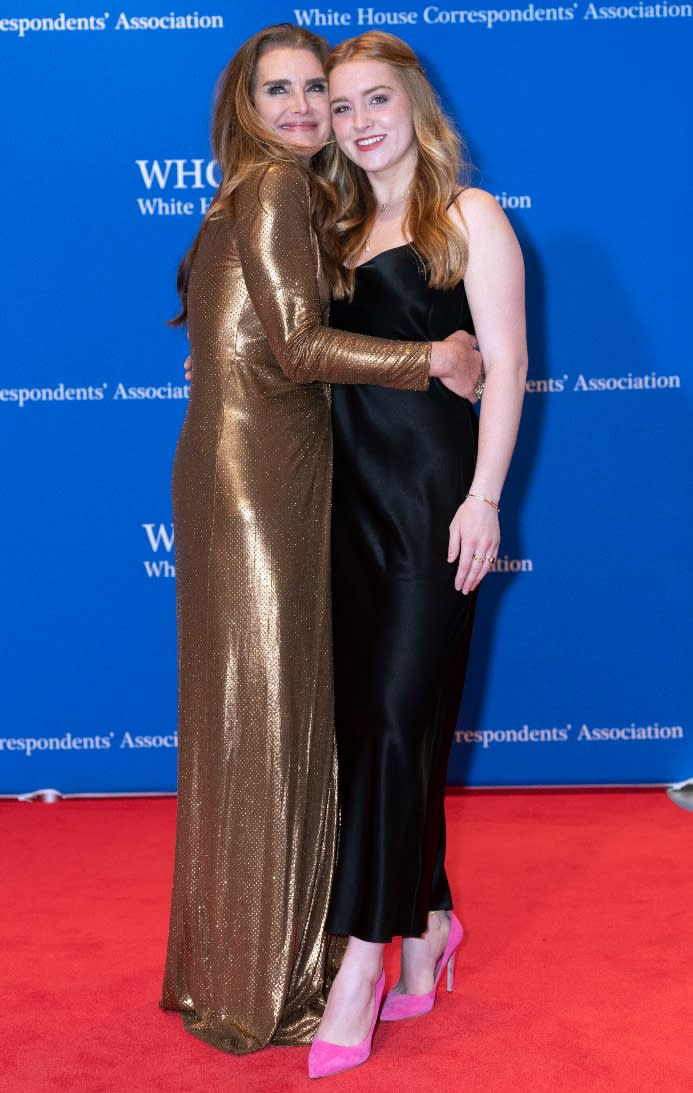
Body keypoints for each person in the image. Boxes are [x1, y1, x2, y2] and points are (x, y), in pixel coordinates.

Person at [160, 23, 481, 1056]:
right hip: (272, 488)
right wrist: (431, 356)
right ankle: (290, 974)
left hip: (266, 479)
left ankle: (369, 938)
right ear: (242, 103)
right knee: (288, 719)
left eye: (324, 91)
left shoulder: (266, 201)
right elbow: (298, 348)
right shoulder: (279, 192)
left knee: (282, 719)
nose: (310, 110)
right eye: (285, 91)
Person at [308, 32, 527, 1078]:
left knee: (397, 722)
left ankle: (363, 959)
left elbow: (510, 365)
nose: (358, 121)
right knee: (376, 729)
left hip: (436, 506)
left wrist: (486, 499)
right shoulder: (329, 224)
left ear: (415, 105)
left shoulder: (468, 216)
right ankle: (432, 917)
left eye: (375, 99)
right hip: (343, 512)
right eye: (340, 106)